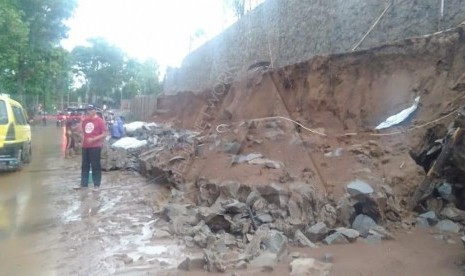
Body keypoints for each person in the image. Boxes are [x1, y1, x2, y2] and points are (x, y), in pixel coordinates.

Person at [76, 105, 107, 190]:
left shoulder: (99, 121)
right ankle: (84, 184)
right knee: (84, 165)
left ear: (94, 111)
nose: (88, 112)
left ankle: (96, 184)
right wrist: (81, 121)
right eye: (87, 110)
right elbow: (79, 131)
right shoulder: (85, 120)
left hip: (95, 146)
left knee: (95, 165)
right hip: (85, 146)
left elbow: (104, 134)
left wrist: (94, 139)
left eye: (90, 110)